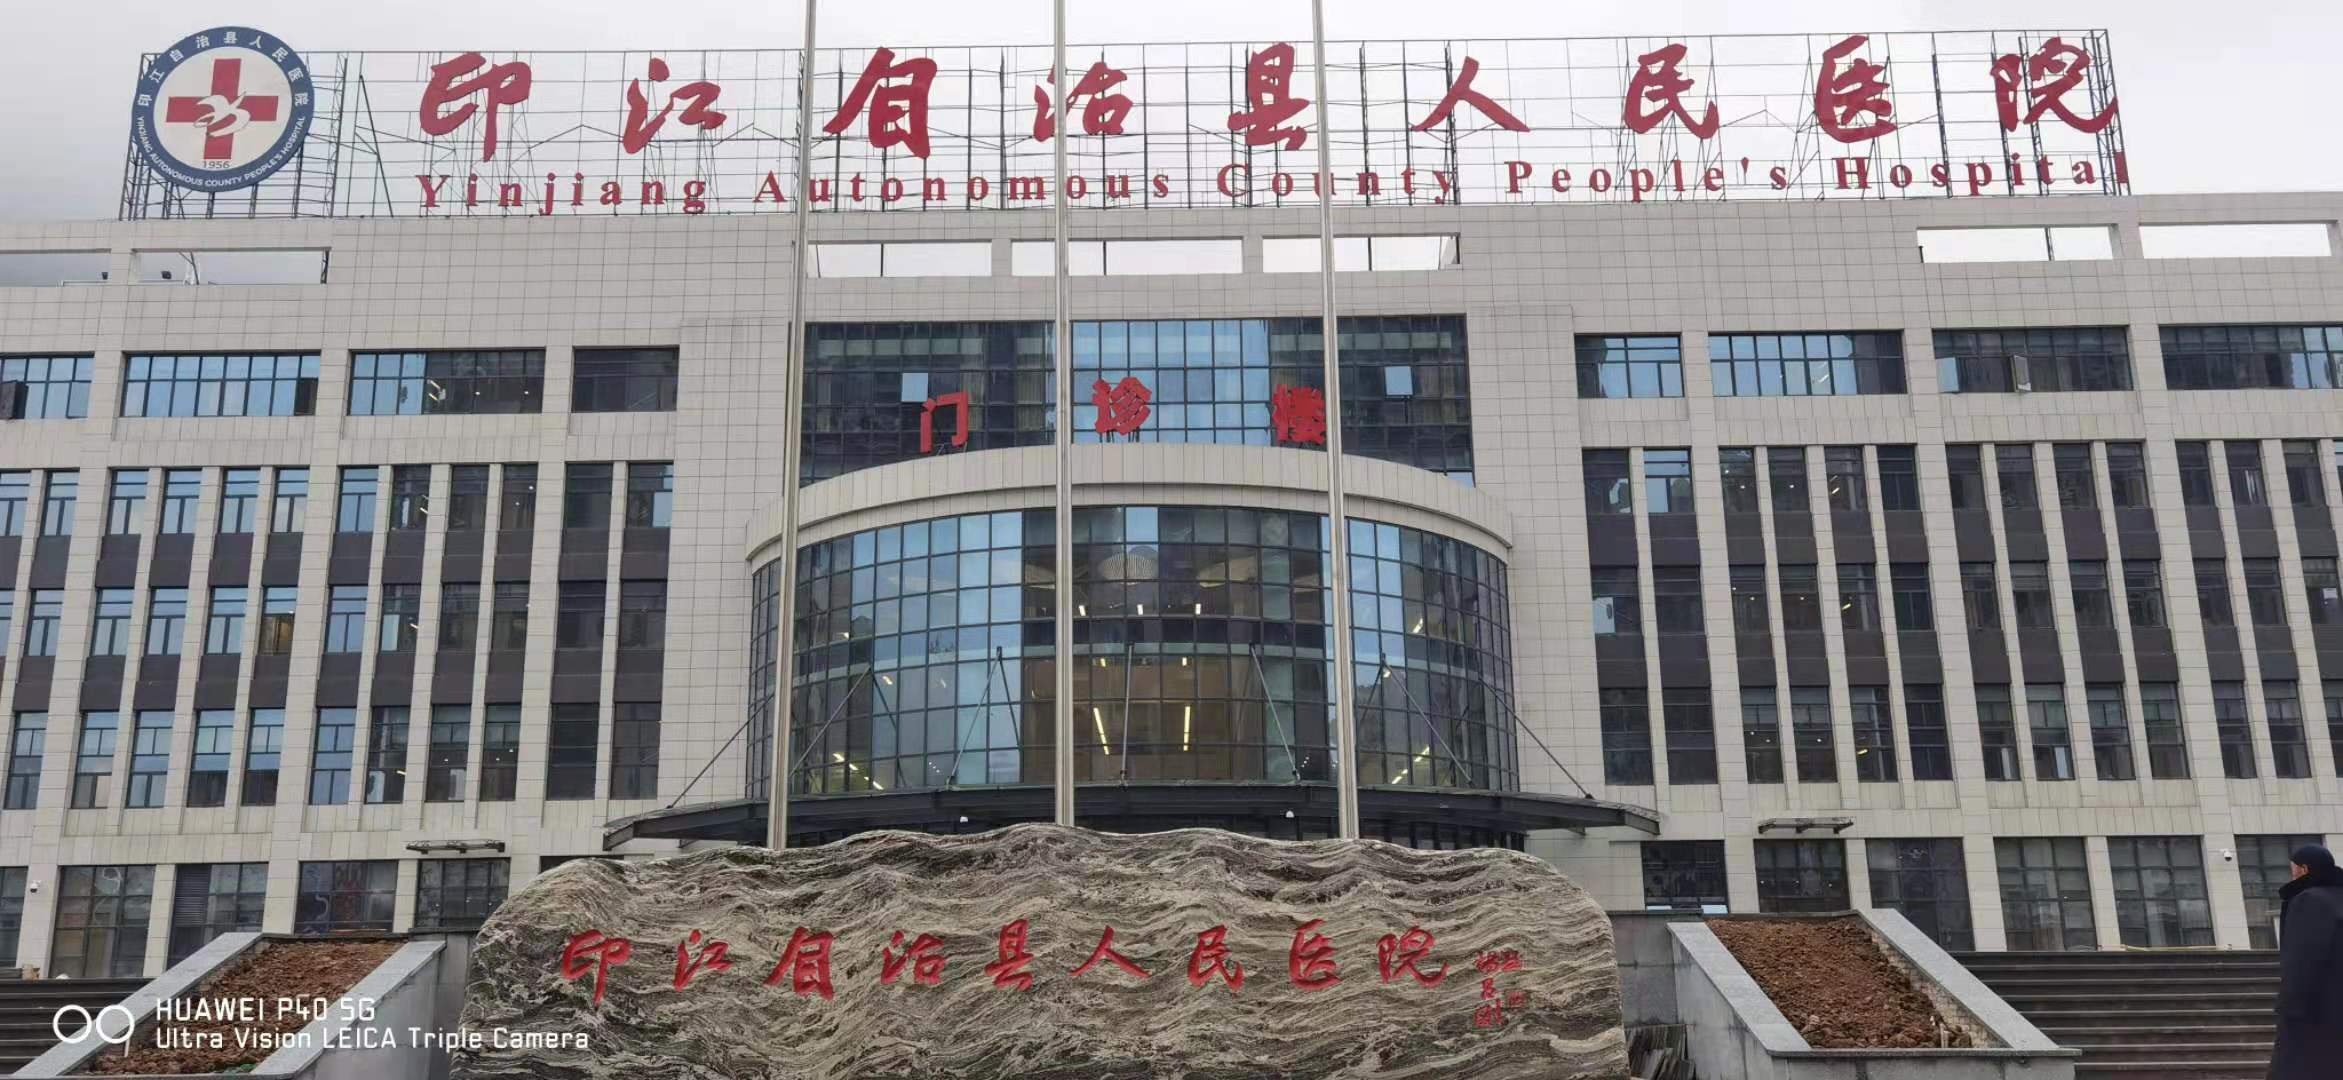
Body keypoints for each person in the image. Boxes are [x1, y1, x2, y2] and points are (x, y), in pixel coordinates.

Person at [2271, 842, 2343, 1080]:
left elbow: (2302, 959)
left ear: (2303, 869)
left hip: (2316, 1008)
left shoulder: (2308, 900)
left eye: (2292, 869)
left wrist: (2289, 1005)